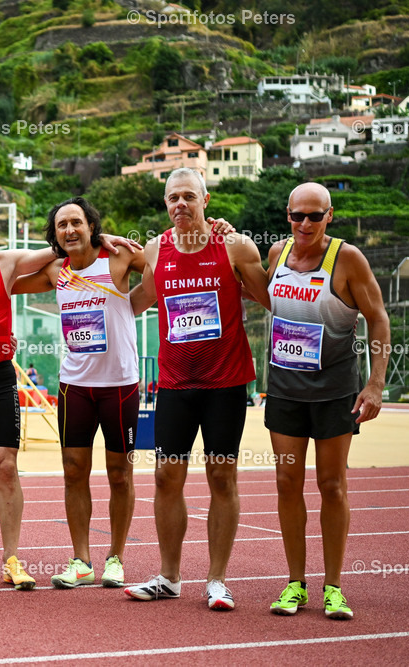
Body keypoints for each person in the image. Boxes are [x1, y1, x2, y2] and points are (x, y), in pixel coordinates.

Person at [0, 201, 137, 590]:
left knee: (13, 467)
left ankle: (23, 559)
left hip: (11, 379)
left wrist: (102, 240)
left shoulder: (11, 262)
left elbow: (68, 251)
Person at [126, 168, 270, 611]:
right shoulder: (156, 248)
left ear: (206, 201)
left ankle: (217, 580)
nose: (180, 204)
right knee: (166, 477)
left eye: (189, 196)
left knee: (221, 477)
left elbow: (272, 299)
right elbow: (134, 303)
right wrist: (82, 288)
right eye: (173, 198)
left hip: (225, 383)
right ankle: (169, 576)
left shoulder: (236, 245)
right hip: (173, 384)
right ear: (166, 204)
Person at [265, 182, 390, 620]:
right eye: (297, 215)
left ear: (329, 216)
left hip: (335, 389)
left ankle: (333, 586)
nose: (304, 224)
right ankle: (294, 584)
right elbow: (266, 298)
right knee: (286, 484)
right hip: (284, 387)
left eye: (314, 216)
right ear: (288, 215)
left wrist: (374, 385)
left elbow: (377, 317)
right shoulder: (277, 253)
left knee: (332, 485)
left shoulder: (347, 258)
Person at [13, 197, 146, 590]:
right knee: (74, 472)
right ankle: (82, 560)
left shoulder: (118, 260)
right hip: (74, 386)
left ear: (91, 226)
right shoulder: (57, 270)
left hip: (120, 385)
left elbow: (161, 266)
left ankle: (117, 558)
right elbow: (5, 279)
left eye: (76, 222)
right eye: (61, 226)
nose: (69, 230)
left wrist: (128, 309)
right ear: (55, 235)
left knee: (120, 474)